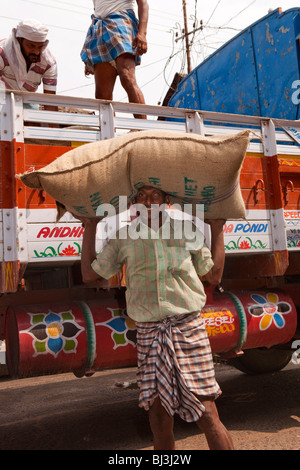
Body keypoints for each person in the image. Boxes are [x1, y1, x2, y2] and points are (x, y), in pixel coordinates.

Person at [78, 185, 234, 450]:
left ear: (167, 200)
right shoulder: (124, 237)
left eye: (155, 196)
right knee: (159, 418)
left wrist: (217, 229)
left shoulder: (185, 231)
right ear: (133, 203)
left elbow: (213, 276)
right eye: (141, 196)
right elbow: (90, 275)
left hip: (187, 327)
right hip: (150, 331)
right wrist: (90, 227)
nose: (148, 201)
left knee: (207, 413)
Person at [81, 0, 148, 118]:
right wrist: (90, 57)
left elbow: (143, 3)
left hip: (120, 20)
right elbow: (100, 8)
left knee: (127, 77)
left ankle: (143, 130)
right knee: (102, 95)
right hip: (100, 26)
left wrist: (142, 33)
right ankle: (111, 134)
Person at [0, 19, 57, 98]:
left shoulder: (49, 63)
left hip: (27, 102)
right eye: (31, 46)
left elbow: (50, 102)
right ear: (19, 40)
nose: (36, 52)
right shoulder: (2, 54)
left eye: (40, 47)